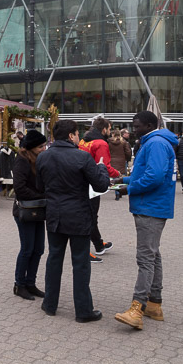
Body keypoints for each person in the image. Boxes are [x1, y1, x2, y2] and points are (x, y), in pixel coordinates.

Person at [36, 119, 110, 323]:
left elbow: (39, 186)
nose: (79, 137)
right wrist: (101, 168)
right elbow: (101, 185)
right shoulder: (83, 157)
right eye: (77, 134)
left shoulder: (43, 156)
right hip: (78, 216)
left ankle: (50, 304)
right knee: (80, 263)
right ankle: (83, 311)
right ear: (71, 135)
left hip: (55, 215)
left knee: (54, 259)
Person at [114, 111, 177, 330]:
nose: (134, 130)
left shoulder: (156, 143)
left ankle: (137, 308)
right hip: (153, 206)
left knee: (145, 259)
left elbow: (154, 177)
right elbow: (146, 172)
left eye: (137, 126)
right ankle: (154, 304)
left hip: (150, 207)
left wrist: (130, 188)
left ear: (150, 125)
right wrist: (123, 179)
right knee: (153, 255)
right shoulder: (154, 141)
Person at [12, 129, 47, 301]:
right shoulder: (22, 160)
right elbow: (19, 188)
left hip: (38, 209)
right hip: (25, 211)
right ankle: (19, 285)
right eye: (40, 146)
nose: (44, 149)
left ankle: (30, 283)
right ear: (31, 147)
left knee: (38, 249)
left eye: (44, 145)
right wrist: (41, 196)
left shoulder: (39, 159)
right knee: (27, 249)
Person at [79, 117, 121, 259]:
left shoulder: (84, 140)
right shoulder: (101, 143)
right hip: (93, 183)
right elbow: (104, 166)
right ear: (103, 129)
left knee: (88, 215)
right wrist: (118, 174)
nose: (110, 131)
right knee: (91, 216)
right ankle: (90, 249)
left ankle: (98, 244)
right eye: (109, 128)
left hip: (82, 181)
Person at [108, 129, 132, 201]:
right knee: (120, 177)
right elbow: (128, 152)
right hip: (121, 161)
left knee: (115, 176)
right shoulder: (123, 142)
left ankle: (117, 193)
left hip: (112, 161)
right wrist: (127, 159)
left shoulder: (109, 142)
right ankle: (119, 192)